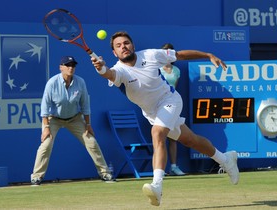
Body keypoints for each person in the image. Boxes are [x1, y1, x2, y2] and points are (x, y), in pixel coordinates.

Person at [91, 31, 239, 206]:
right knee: (191, 140)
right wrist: (100, 68)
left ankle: (157, 186)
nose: (123, 47)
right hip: (152, 113)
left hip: (170, 100)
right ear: (114, 53)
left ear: (133, 46)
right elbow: (108, 74)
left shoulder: (151, 55)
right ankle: (226, 160)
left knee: (157, 133)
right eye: (119, 45)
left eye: (126, 43)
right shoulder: (119, 70)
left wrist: (208, 55)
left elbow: (180, 55)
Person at [30, 55, 114, 186]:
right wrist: (46, 127)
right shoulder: (52, 83)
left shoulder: (80, 82)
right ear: (61, 68)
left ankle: (105, 173)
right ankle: (36, 177)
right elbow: (45, 106)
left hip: (75, 118)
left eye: (73, 65)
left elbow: (85, 105)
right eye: (67, 65)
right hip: (53, 119)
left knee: (91, 142)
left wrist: (88, 124)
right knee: (46, 145)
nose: (71, 68)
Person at [159, 43, 185, 176]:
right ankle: (160, 169)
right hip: (158, 105)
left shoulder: (177, 71)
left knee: (174, 137)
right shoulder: (157, 69)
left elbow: (174, 88)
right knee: (160, 137)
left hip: (172, 104)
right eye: (165, 52)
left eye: (170, 52)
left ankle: (174, 167)